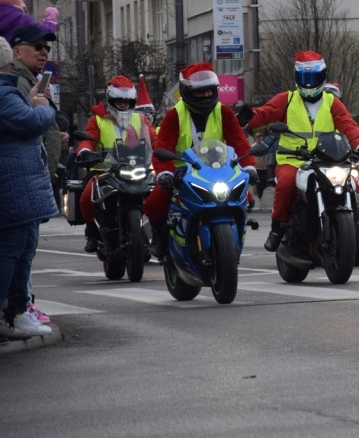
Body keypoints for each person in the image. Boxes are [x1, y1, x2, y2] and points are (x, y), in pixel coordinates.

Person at [238, 51, 359, 251]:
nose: (309, 82)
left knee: (350, 182)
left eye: (313, 77)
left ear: (322, 75)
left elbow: (348, 125)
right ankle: (277, 229)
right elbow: (266, 112)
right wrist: (248, 117)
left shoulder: (332, 101)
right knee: (286, 186)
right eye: (304, 77)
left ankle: (354, 225)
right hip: (293, 160)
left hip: (327, 160)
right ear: (297, 77)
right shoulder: (287, 99)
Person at [143, 62, 256, 259]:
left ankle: (236, 233)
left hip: (219, 171)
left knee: (246, 197)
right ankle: (159, 234)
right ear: (187, 92)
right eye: (200, 92)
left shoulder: (224, 112)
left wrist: (249, 167)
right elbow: (163, 148)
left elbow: (239, 142)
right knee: (156, 202)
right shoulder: (174, 115)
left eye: (209, 91)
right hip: (182, 174)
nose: (206, 96)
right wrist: (165, 173)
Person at [0, 36, 59, 338]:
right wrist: (43, 105)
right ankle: (10, 313)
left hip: (20, 185)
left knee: (21, 251)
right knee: (13, 252)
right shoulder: (4, 94)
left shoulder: (9, 92)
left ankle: (18, 311)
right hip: (14, 186)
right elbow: (32, 123)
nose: (42, 51)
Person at [75, 75, 157, 253]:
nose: (123, 104)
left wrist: (163, 149)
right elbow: (88, 139)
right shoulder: (97, 119)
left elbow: (154, 138)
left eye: (127, 101)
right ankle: (92, 231)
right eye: (119, 100)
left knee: (160, 192)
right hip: (105, 170)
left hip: (137, 168)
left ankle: (159, 232)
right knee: (86, 196)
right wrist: (85, 151)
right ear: (111, 99)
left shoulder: (141, 119)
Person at [10, 26, 65, 200]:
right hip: (24, 177)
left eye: (46, 48)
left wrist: (54, 133)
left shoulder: (32, 79)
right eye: (37, 47)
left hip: (31, 176)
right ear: (17, 52)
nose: (44, 52)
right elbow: (22, 123)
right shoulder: (16, 82)